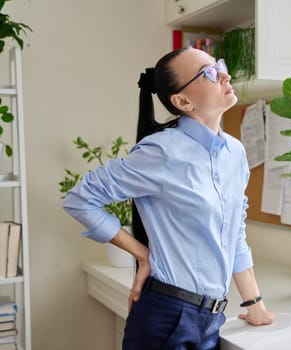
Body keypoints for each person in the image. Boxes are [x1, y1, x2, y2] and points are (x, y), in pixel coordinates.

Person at [63, 47, 275, 350]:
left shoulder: (235, 153)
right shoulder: (161, 152)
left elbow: (234, 233)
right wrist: (142, 254)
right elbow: (80, 199)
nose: (225, 75)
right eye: (210, 73)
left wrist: (254, 303)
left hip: (212, 319)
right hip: (166, 318)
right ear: (182, 101)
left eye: (219, 66)